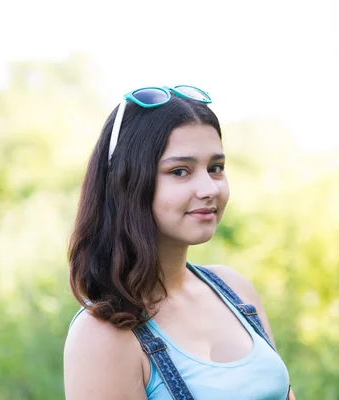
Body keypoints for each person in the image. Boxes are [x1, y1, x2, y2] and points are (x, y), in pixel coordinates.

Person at [63, 85, 296, 400]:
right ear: (127, 183)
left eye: (215, 168)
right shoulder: (102, 335)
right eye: (180, 171)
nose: (208, 188)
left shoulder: (234, 290)